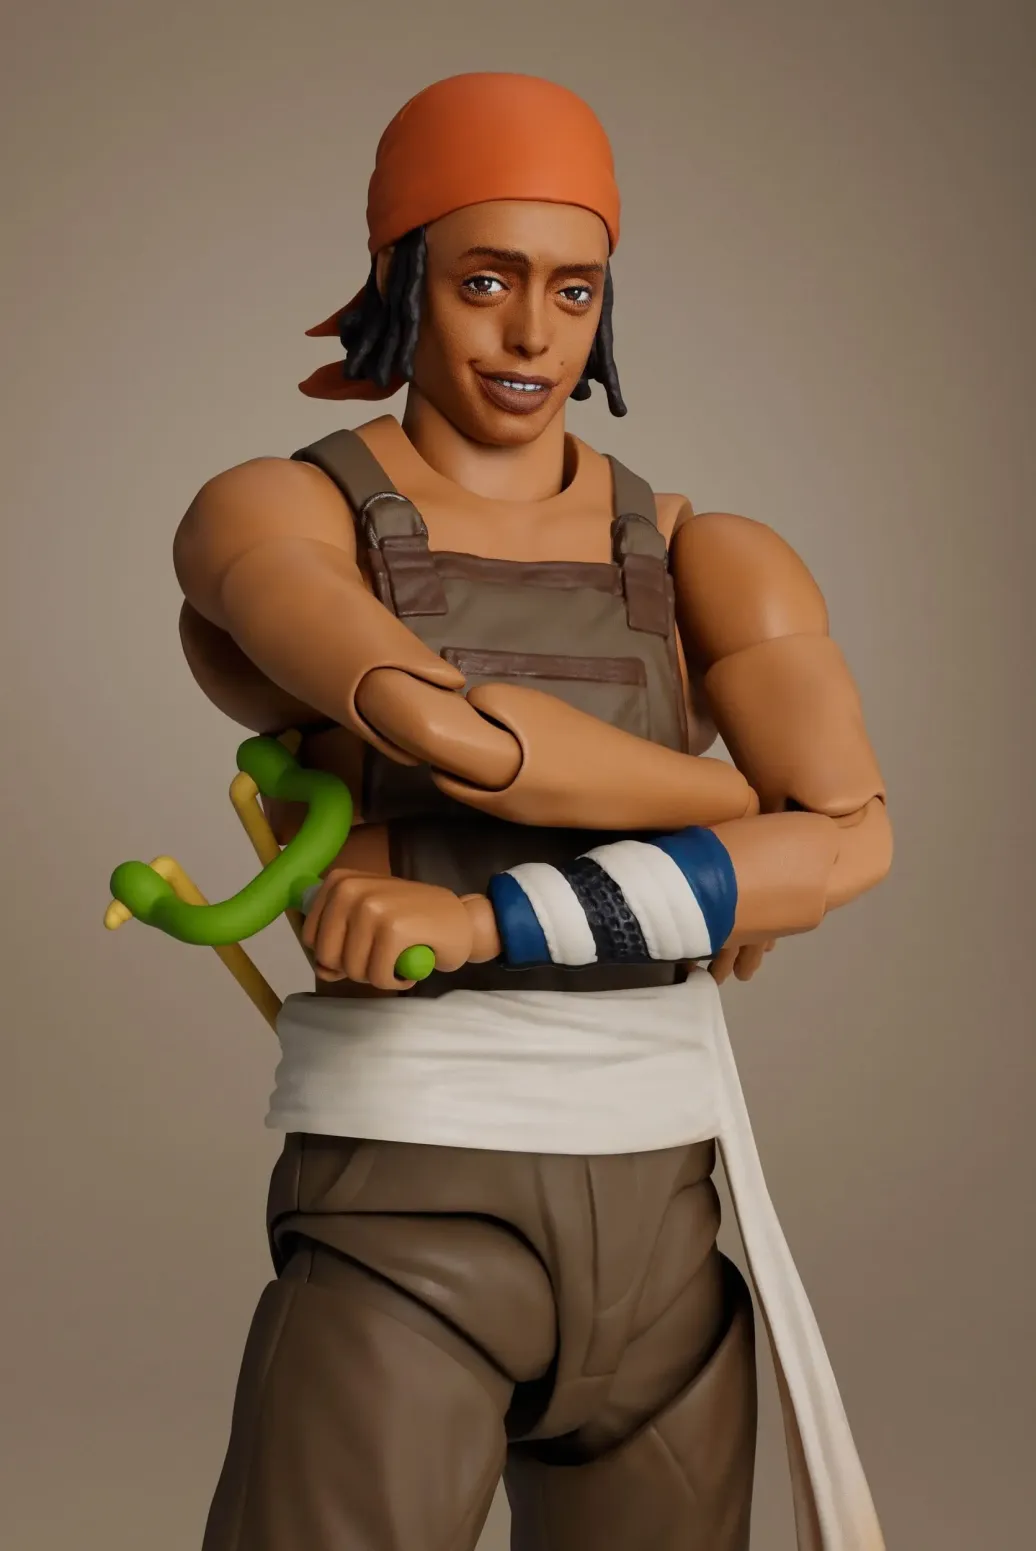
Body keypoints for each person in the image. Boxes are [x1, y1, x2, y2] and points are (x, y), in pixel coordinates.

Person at [174, 71, 892, 1551]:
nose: (531, 335)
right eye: (486, 280)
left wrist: (481, 916)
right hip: (413, 1205)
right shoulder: (283, 512)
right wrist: (733, 816)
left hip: (669, 1223)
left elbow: (855, 841)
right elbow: (449, 730)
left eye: (575, 289)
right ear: (403, 278)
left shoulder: (710, 556)